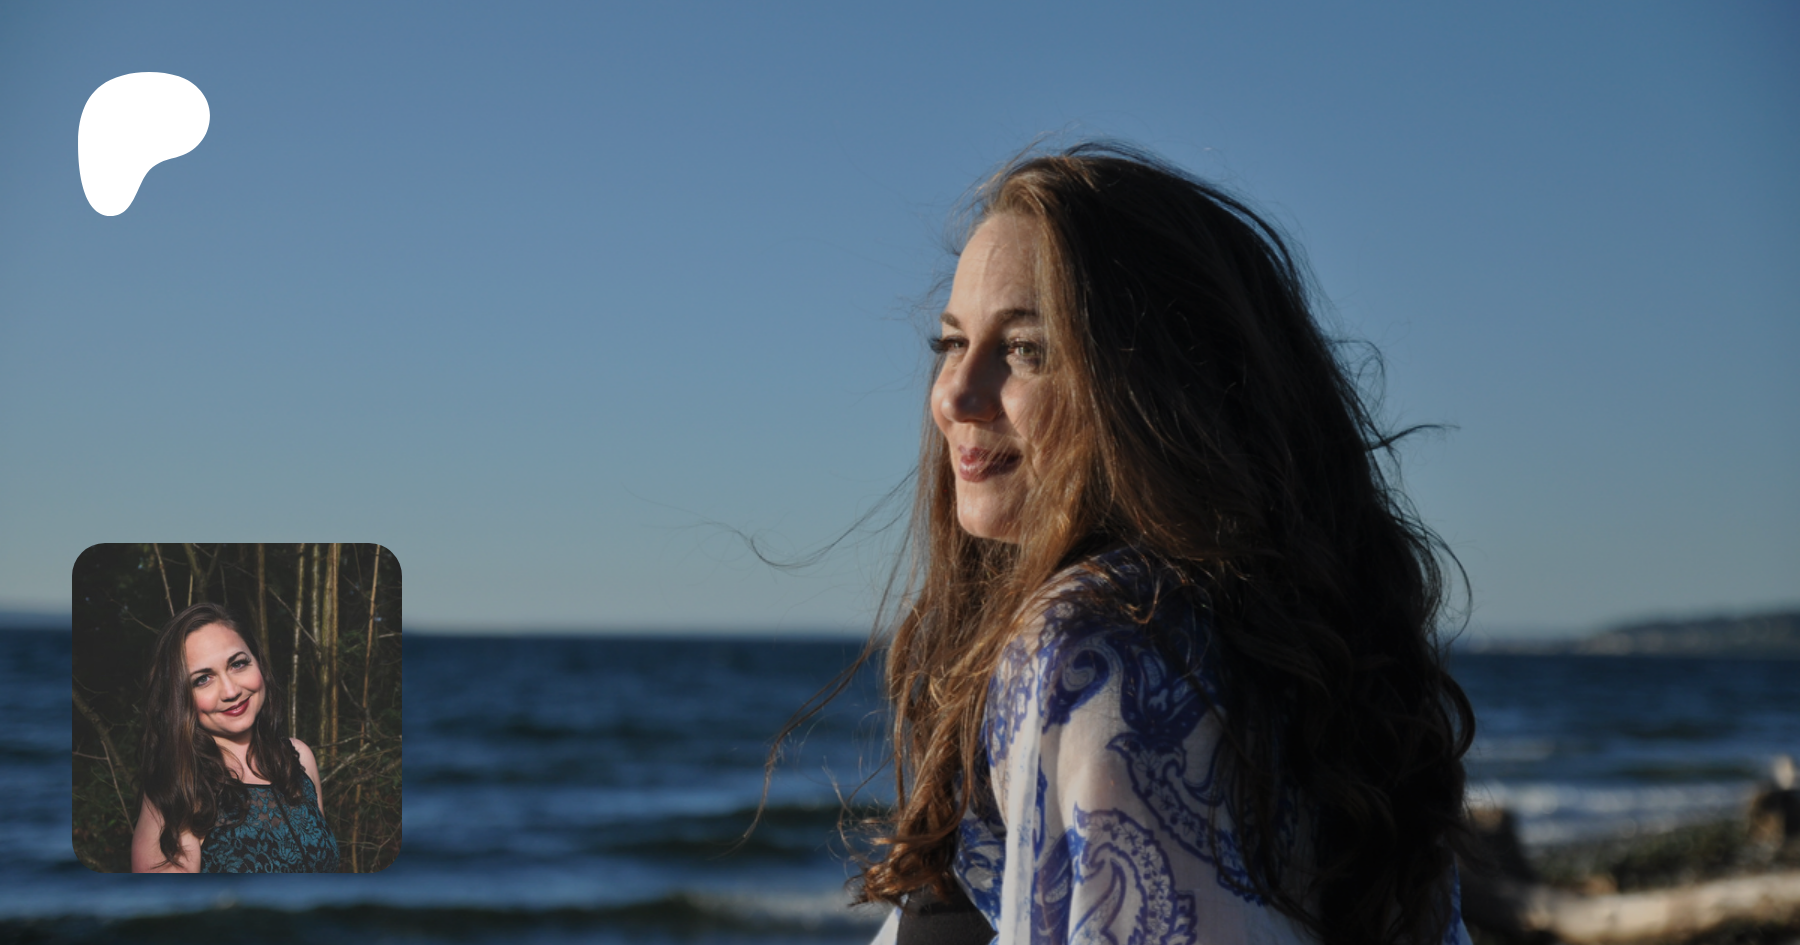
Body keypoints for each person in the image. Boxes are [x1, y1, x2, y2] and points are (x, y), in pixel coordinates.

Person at [853, 144, 1477, 944]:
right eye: (951, 343)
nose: (955, 395)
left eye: (1025, 349)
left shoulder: (1103, 649)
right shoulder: (1285, 658)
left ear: (1159, 388)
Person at [130, 602, 339, 872]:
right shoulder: (178, 787)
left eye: (238, 664)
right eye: (203, 679)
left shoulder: (299, 759)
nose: (230, 691)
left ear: (258, 662)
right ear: (180, 698)